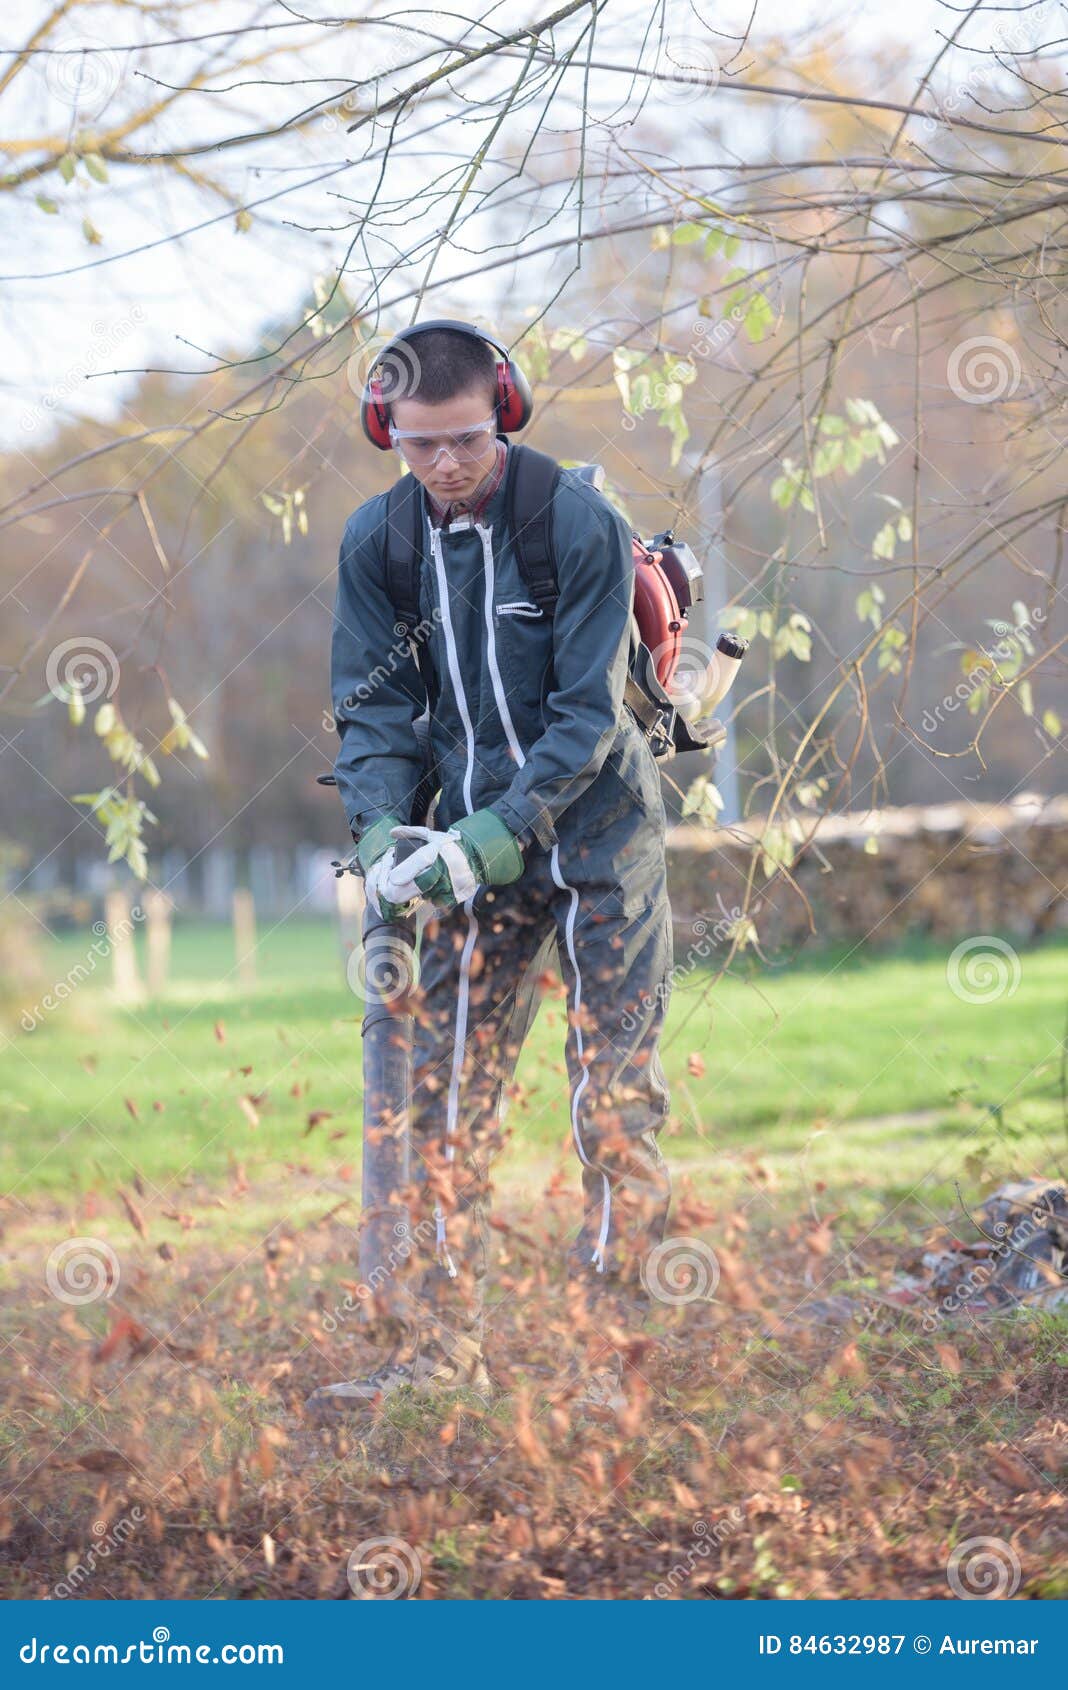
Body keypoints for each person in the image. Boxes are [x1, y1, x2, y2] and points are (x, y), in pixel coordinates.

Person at [306, 321, 674, 1418]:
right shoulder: (380, 544)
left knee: (613, 1094)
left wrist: (504, 827)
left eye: (463, 440)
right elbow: (374, 710)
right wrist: (380, 829)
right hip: (471, 859)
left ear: (503, 411)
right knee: (447, 1095)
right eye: (418, 447)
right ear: (389, 434)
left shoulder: (574, 525)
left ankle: (619, 1360)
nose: (444, 467)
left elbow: (586, 717)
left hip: (600, 836)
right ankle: (438, 1346)